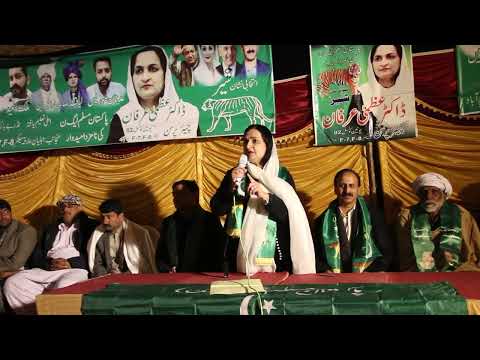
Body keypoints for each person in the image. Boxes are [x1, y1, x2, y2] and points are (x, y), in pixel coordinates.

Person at [210, 124, 316, 275]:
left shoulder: (281, 176)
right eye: (245, 141)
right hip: (238, 252)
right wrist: (230, 188)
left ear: (268, 145)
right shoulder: (235, 173)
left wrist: (266, 196)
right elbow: (217, 208)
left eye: (255, 141)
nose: (248, 146)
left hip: (276, 255)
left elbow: (288, 216)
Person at [3, 195, 98, 314]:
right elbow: (36, 255)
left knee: (63, 287)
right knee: (13, 283)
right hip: (47, 269)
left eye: (70, 206)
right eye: (63, 206)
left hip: (75, 270)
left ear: (80, 208)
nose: (66, 210)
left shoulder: (91, 226)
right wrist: (48, 264)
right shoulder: (50, 228)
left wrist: (72, 263)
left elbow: (97, 255)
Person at [107, 45, 199, 144]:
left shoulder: (187, 113)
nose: (145, 77)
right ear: (131, 77)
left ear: (165, 74)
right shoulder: (121, 118)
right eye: (139, 71)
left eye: (153, 69)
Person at [396, 172, 480, 272]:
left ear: (444, 195)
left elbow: (473, 248)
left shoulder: (460, 214)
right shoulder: (407, 215)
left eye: (434, 192)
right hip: (418, 269)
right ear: (418, 195)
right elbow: (405, 253)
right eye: (424, 192)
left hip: (458, 269)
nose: (428, 197)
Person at [313, 169, 392, 273]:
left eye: (351, 186)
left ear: (358, 188)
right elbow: (315, 255)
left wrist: (372, 272)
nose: (347, 191)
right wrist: (325, 270)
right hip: (334, 279)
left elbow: (386, 251)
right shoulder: (322, 221)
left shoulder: (373, 215)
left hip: (368, 276)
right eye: (342, 186)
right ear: (335, 189)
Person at [347, 45, 415, 140]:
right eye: (378, 58)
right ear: (371, 63)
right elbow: (353, 131)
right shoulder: (361, 92)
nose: (383, 63)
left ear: (401, 59)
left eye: (390, 56)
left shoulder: (410, 90)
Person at [156, 180, 225, 273]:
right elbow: (160, 254)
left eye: (181, 194)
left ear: (195, 195)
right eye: (174, 194)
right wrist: (167, 269)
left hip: (203, 278)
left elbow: (219, 253)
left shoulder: (210, 220)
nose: (176, 198)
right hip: (173, 279)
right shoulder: (168, 222)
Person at [87, 199, 158, 277]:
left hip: (131, 279)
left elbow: (143, 265)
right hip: (107, 278)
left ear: (120, 216)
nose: (105, 221)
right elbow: (97, 263)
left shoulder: (140, 234)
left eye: (109, 217)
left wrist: (122, 277)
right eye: (103, 217)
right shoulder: (98, 234)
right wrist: (105, 277)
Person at [0, 199, 37, 313]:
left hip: (18, 273)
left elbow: (16, 263)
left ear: (11, 212)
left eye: (5, 212)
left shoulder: (26, 231)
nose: (2, 217)